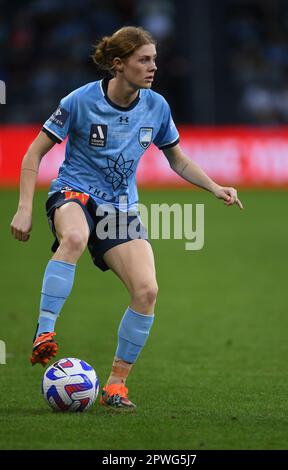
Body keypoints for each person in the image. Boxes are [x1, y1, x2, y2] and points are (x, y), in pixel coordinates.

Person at [10, 26, 243, 410]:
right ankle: (45, 331)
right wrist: (23, 207)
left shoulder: (157, 106)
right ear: (118, 65)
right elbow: (33, 154)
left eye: (154, 59)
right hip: (74, 193)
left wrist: (215, 187)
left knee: (147, 291)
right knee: (74, 238)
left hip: (120, 208)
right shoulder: (79, 101)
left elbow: (178, 159)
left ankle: (116, 385)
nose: (153, 67)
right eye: (144, 60)